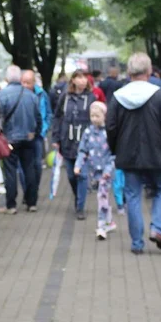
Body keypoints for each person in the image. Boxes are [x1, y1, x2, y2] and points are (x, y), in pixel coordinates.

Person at [107, 52, 161, 255]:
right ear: (149, 71)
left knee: (132, 196)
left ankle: (137, 243)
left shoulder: (118, 97)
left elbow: (111, 127)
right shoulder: (159, 95)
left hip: (128, 155)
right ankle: (157, 228)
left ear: (128, 72)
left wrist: (115, 150)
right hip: (158, 155)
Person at [0, 65, 41, 213]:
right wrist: (35, 133)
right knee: (29, 169)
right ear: (20, 78)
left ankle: (11, 205)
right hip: (28, 138)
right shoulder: (31, 95)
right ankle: (31, 203)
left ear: (7, 78)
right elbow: (38, 118)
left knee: (10, 172)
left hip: (9, 140)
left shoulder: (0, 95)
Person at [53, 70, 96, 220]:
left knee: (82, 175)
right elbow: (58, 116)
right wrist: (56, 137)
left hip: (84, 141)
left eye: (85, 77)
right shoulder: (65, 97)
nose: (82, 80)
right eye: (79, 77)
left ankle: (80, 207)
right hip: (67, 140)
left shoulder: (91, 98)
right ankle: (78, 195)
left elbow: (96, 118)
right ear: (73, 80)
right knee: (71, 176)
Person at [74, 102, 117, 240]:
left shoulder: (110, 132)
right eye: (92, 116)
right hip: (95, 170)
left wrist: (109, 169)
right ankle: (110, 221)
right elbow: (83, 150)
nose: (94, 119)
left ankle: (101, 226)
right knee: (103, 196)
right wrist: (78, 165)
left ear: (104, 116)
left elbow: (114, 153)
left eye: (97, 116)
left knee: (101, 196)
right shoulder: (88, 132)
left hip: (107, 170)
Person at [21, 70, 50, 196]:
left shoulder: (42, 94)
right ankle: (27, 192)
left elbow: (48, 113)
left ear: (34, 82)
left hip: (38, 135)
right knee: (22, 167)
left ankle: (34, 189)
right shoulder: (19, 94)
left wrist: (43, 130)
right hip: (22, 135)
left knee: (37, 164)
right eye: (23, 82)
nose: (26, 85)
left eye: (28, 82)